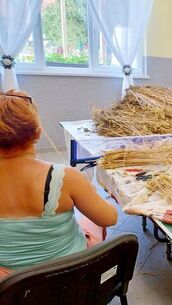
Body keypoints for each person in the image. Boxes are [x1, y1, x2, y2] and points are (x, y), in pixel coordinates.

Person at [0, 90, 117, 278]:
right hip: (70, 275)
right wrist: (92, 193)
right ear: (37, 133)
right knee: (90, 222)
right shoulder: (65, 177)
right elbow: (110, 219)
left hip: (13, 288)